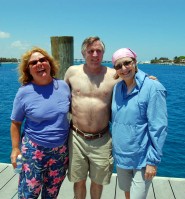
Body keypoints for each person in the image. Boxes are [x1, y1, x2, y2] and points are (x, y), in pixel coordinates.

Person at [10, 47, 71, 199]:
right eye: (34, 62)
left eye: (43, 60)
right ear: (28, 70)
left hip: (60, 151)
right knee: (29, 194)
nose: (39, 64)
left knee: (51, 194)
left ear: (50, 64)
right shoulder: (24, 92)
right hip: (34, 151)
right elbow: (15, 123)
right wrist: (15, 149)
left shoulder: (63, 86)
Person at [64, 36, 118, 199]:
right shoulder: (72, 72)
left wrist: (147, 79)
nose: (95, 55)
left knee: (98, 181)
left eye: (99, 51)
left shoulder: (114, 75)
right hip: (76, 138)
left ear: (103, 53)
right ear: (83, 53)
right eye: (90, 51)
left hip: (102, 139)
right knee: (78, 181)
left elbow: (133, 79)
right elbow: (58, 94)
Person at [111, 48, 168, 199]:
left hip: (142, 159)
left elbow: (159, 127)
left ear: (135, 62)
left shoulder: (153, 87)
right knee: (127, 194)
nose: (124, 68)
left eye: (127, 63)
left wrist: (153, 161)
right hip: (122, 157)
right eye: (118, 66)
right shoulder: (117, 88)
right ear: (115, 70)